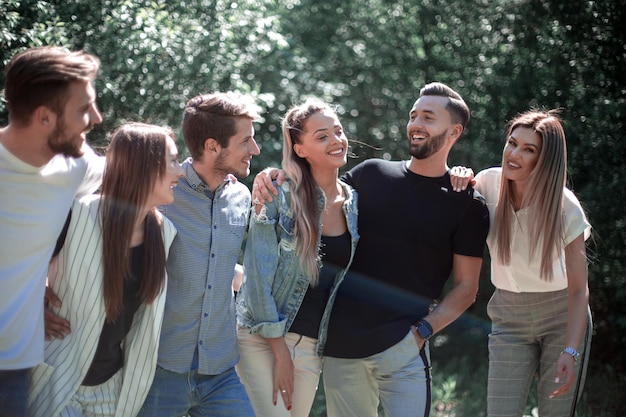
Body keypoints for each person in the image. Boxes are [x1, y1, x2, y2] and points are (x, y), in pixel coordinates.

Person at [252, 82, 490, 417]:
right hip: (339, 349)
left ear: (454, 131)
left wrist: (422, 332)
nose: (416, 123)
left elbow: (467, 288)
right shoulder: (370, 175)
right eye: (413, 115)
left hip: (403, 349)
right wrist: (275, 175)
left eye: (428, 117)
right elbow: (316, 188)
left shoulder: (467, 203)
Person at [28, 122, 183, 417]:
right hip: (56, 380)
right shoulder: (75, 215)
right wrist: (31, 306)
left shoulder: (165, 233)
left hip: (112, 392)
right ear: (142, 166)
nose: (181, 171)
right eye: (173, 161)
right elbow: (12, 263)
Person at [450, 109, 591, 417]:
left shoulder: (566, 208)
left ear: (545, 160)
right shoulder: (487, 183)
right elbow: (448, 200)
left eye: (529, 150)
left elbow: (580, 289)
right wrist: (457, 175)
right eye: (512, 143)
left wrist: (571, 349)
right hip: (508, 316)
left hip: (561, 314)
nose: (514, 154)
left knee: (555, 412)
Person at [138, 92, 260, 417]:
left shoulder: (242, 197)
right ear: (211, 147)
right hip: (160, 369)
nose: (255, 150)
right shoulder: (162, 193)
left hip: (219, 370)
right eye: (246, 141)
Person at [235, 99, 359, 417]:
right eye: (322, 136)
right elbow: (256, 279)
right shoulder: (279, 195)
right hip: (261, 338)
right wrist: (280, 352)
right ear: (300, 149)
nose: (336, 141)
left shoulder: (353, 202)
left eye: (338, 131)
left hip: (312, 346)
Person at [0, 46, 104, 415]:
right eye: (83, 109)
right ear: (44, 117)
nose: (97, 117)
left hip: (14, 372)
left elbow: (137, 175)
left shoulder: (73, 167)